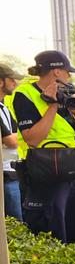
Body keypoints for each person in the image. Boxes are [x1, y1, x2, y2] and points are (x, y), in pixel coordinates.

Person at [10, 51, 75, 245]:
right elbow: (33, 138)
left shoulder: (68, 94)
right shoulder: (25, 95)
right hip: (49, 173)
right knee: (55, 234)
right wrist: (53, 105)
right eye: (67, 72)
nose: (69, 77)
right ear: (56, 71)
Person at [0, 63, 24, 220]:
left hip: (11, 172)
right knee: (15, 222)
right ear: (1, 82)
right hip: (4, 175)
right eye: (11, 79)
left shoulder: (4, 108)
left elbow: (17, 136)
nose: (15, 83)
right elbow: (11, 141)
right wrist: (19, 137)